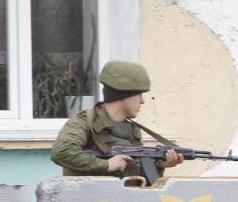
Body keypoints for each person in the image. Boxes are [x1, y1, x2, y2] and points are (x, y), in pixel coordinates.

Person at [50, 60, 183, 178]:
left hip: (121, 200)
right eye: (139, 95)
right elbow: (61, 152)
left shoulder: (131, 129)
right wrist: (106, 165)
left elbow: (138, 180)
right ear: (124, 95)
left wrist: (159, 166)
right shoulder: (84, 121)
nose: (142, 101)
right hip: (88, 200)